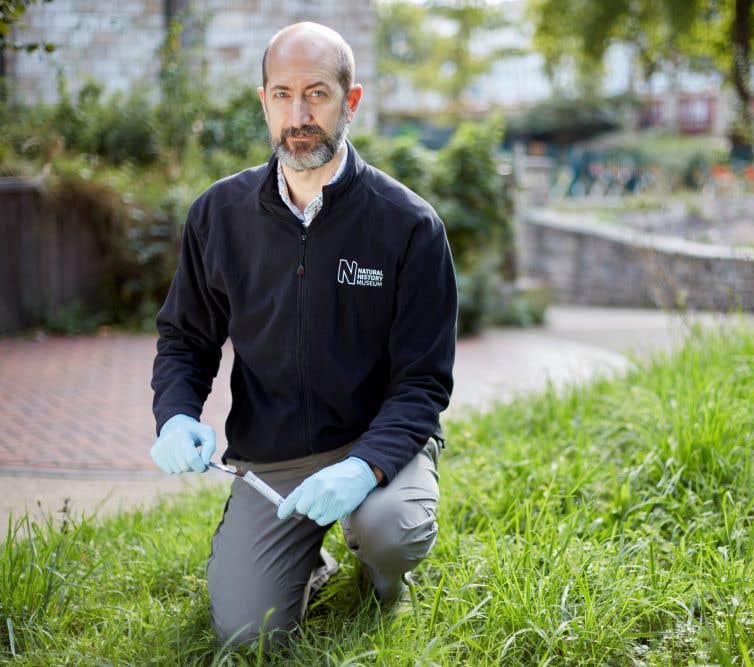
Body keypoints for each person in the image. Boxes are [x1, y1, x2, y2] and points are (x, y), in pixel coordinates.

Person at [148, 21, 457, 647]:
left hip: (376, 449)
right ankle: (306, 561)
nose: (299, 114)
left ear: (351, 101)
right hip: (273, 461)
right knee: (249, 635)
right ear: (263, 102)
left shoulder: (409, 225)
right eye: (283, 94)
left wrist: (365, 466)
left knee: (390, 530)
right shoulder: (219, 214)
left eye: (316, 93)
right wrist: (175, 414)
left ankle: (378, 574)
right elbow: (186, 338)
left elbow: (423, 382)